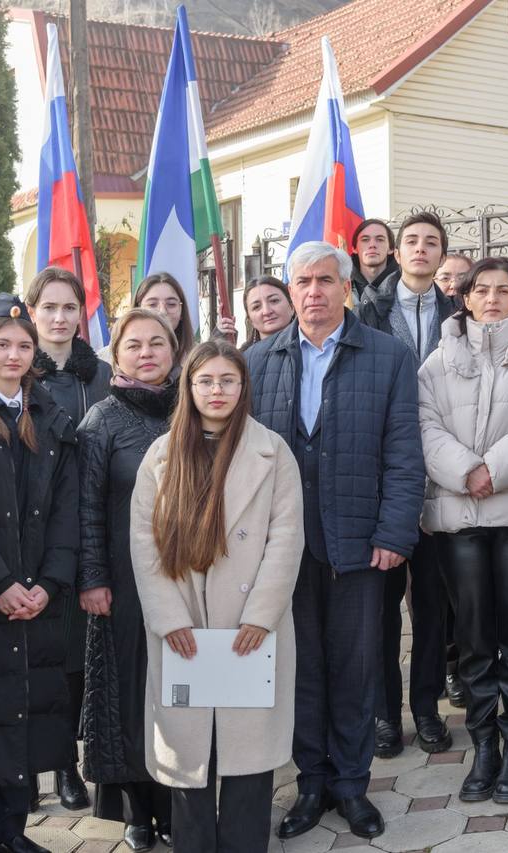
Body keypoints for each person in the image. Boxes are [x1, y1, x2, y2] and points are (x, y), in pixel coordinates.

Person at [245, 241, 424, 841]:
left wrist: (395, 531)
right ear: (289, 291)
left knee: (355, 667)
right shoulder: (257, 361)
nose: (314, 292)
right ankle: (312, 782)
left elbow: (403, 453)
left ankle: (352, 785)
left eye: (326, 280)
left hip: (359, 542)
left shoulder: (388, 357)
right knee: (300, 669)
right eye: (303, 282)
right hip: (282, 550)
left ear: (346, 288)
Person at [131, 339, 303, 853]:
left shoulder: (273, 452)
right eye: (205, 381)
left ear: (243, 386)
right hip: (183, 624)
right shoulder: (161, 456)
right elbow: (144, 541)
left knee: (247, 755)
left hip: (249, 625)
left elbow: (286, 537)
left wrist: (261, 615)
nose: (217, 390)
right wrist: (168, 617)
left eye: (228, 380)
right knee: (190, 756)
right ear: (188, 387)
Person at [418, 256, 508, 803]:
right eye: (482, 290)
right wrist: (464, 472)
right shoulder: (436, 362)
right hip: (459, 519)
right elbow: (424, 425)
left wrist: (489, 471)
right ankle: (484, 748)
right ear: (465, 297)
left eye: (504, 290)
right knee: (475, 638)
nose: (492, 299)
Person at [0, 294, 79, 853]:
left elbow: (65, 508)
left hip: (37, 598)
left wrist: (49, 583)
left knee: (23, 716)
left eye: (24, 345)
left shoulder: (48, 414)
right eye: (2, 343)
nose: (14, 354)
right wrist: (0, 584)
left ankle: (12, 832)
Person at [76, 309, 179, 851]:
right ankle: (140, 810)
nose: (146, 353)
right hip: (125, 584)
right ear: (116, 355)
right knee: (134, 697)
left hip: (192, 580)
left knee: (183, 692)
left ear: (173, 348)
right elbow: (87, 507)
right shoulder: (101, 421)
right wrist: (93, 578)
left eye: (157, 343)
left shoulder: (194, 408)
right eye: (134, 345)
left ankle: (181, 802)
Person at [358, 210, 454, 759]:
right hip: (384, 474)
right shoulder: (368, 311)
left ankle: (426, 709)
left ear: (442, 255)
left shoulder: (454, 313)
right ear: (396, 253)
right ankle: (384, 715)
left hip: (439, 475)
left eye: (431, 243)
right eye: (411, 241)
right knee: (382, 607)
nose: (420, 249)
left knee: (434, 607)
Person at [26, 265, 111, 811]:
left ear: (82, 314)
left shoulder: (100, 375)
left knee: (84, 656)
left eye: (69, 307)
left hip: (95, 524)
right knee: (48, 657)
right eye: (49, 307)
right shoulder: (20, 372)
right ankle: (55, 766)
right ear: (32, 312)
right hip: (41, 530)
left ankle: (86, 754)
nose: (60, 318)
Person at [135, 272, 196, 370]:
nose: (162, 311)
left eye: (171, 304)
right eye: (152, 304)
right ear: (137, 309)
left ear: (182, 311)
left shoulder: (198, 359)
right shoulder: (108, 359)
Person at [218, 275, 295, 349]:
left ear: (292, 307)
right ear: (250, 320)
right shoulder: (244, 360)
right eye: (256, 307)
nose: (267, 311)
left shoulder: (306, 348)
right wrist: (220, 338)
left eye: (274, 301)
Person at [350, 218, 399, 300]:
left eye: (380, 240)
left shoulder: (405, 285)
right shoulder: (342, 286)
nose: (372, 245)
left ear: (391, 249)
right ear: (354, 248)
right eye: (365, 240)